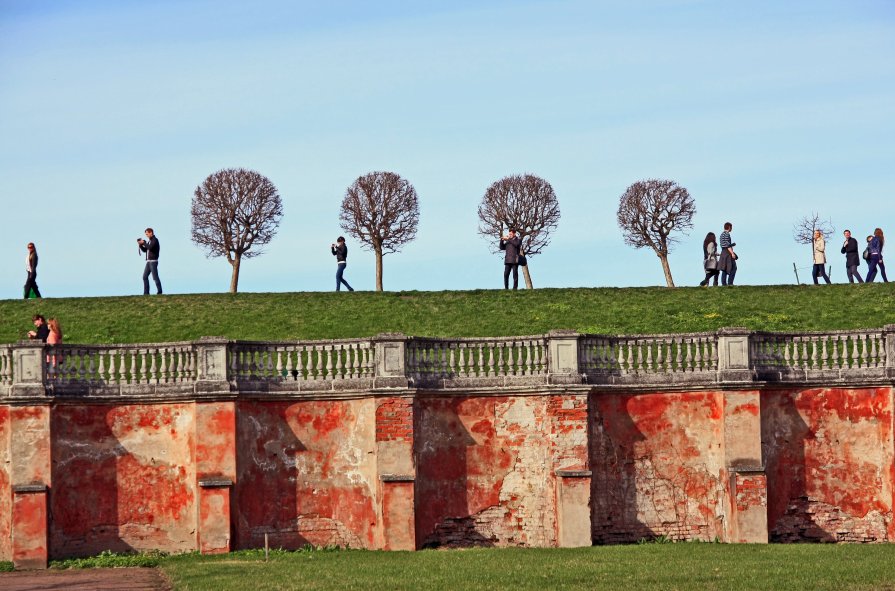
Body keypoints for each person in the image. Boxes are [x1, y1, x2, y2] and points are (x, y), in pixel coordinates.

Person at [137, 227, 163, 295]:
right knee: (144, 277)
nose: (146, 235)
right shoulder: (149, 241)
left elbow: (150, 247)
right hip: (149, 262)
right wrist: (141, 245)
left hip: (153, 261)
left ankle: (159, 292)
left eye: (147, 234)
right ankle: (146, 293)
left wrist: (144, 242)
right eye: (146, 234)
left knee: (155, 277)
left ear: (151, 233)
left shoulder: (155, 240)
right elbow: (145, 250)